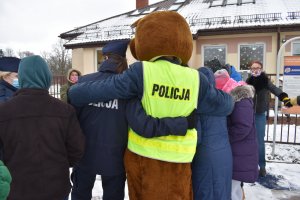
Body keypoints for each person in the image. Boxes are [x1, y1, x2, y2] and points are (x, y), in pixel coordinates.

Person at [68, 11, 233, 200]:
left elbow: (101, 89)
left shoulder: (141, 72)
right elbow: (225, 105)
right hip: (179, 160)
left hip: (141, 156)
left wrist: (74, 91)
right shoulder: (196, 80)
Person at [0, 55, 85, 200]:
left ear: (21, 78)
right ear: (47, 77)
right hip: (56, 188)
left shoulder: (3, 111)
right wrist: (60, 163)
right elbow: (77, 149)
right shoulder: (64, 110)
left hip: (17, 190)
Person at [215, 69, 258, 200]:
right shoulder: (235, 96)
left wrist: (224, 137)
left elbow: (243, 126)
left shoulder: (240, 99)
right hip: (238, 149)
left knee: (233, 189)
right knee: (233, 187)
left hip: (240, 151)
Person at [192, 67, 233, 200]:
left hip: (204, 156)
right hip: (225, 155)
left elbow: (196, 139)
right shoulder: (224, 100)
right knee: (222, 192)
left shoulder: (196, 102)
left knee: (206, 192)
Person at [246, 60, 293, 177]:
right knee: (248, 141)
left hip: (259, 115)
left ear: (261, 69)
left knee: (259, 142)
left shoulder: (265, 81)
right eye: (253, 68)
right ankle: (250, 164)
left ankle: (262, 166)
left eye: (257, 67)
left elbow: (276, 90)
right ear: (250, 70)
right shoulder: (248, 82)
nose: (255, 70)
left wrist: (284, 98)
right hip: (247, 114)